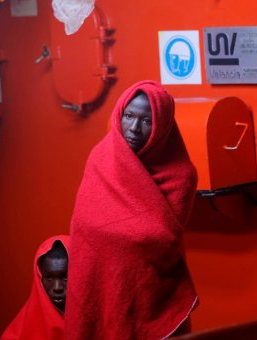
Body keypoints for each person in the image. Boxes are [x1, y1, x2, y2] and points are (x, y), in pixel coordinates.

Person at [66, 80, 198, 339]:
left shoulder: (181, 175)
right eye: (128, 116)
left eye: (147, 121)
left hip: (149, 290)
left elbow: (161, 237)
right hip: (95, 280)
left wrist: (115, 234)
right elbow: (82, 225)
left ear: (162, 126)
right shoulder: (100, 157)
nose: (134, 128)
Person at [1, 235, 69, 340]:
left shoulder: (95, 319)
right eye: (49, 278)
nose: (57, 287)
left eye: (65, 277)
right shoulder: (18, 332)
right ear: (40, 277)